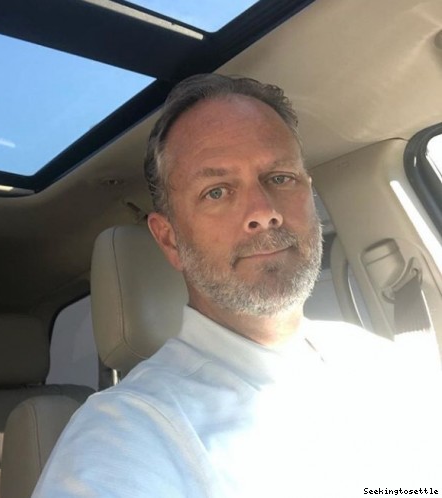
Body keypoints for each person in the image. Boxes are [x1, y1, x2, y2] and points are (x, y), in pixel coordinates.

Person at [33, 74, 441, 497]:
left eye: (280, 177)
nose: (263, 212)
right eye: (216, 191)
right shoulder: (129, 432)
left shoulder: (381, 360)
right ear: (170, 240)